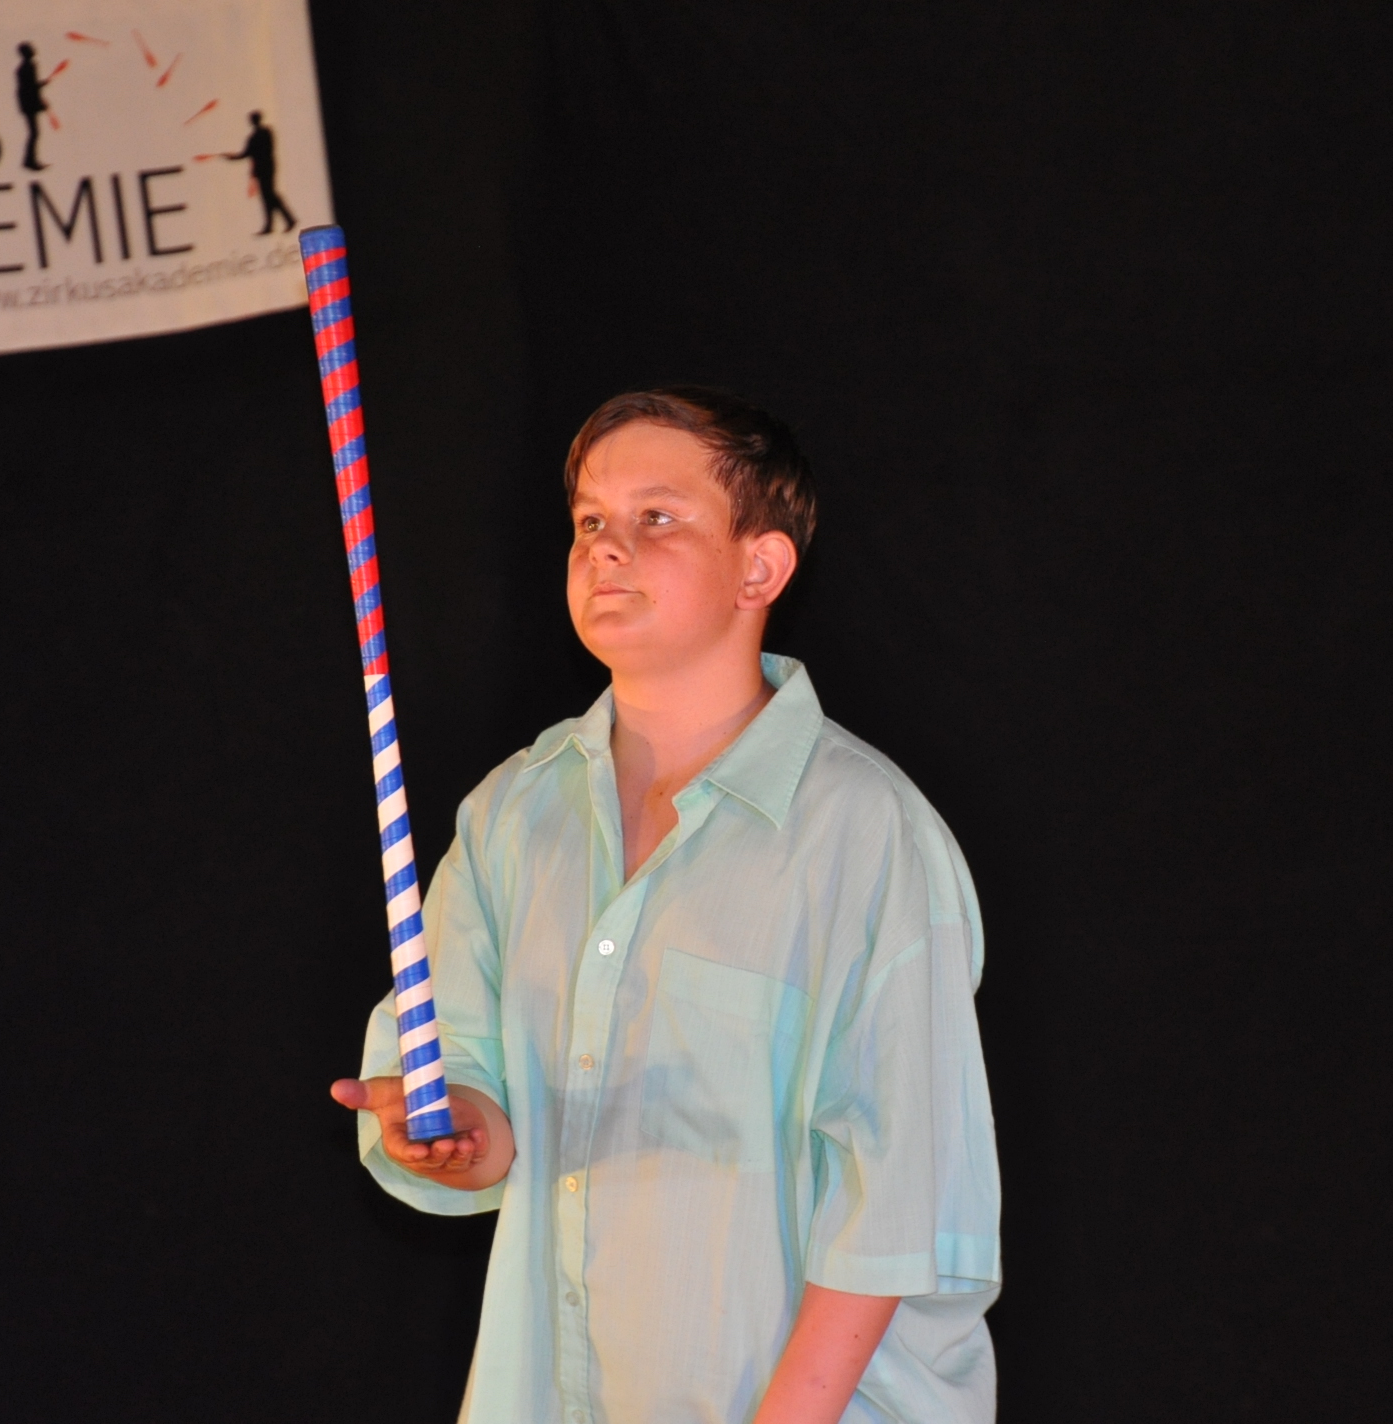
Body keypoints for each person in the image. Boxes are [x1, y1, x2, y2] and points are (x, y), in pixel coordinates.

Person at [332, 388, 1003, 1423]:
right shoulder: (512, 814)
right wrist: (452, 1126)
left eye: (657, 517)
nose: (606, 546)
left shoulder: (868, 835)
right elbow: (478, 1106)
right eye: (589, 520)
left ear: (759, 568)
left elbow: (897, 1200)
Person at [225, 111, 297, 234]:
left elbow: (245, 154)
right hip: (268, 167)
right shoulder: (266, 133)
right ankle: (277, 223)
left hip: (264, 168)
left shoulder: (255, 137)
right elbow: (249, 153)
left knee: (269, 196)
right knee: (269, 196)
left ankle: (285, 221)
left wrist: (231, 157)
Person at [14, 42, 49, 172]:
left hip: (26, 102)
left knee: (34, 132)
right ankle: (30, 161)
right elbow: (31, 88)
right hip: (29, 103)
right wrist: (39, 102)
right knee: (34, 133)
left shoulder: (24, 68)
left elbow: (30, 87)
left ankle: (29, 160)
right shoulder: (28, 67)